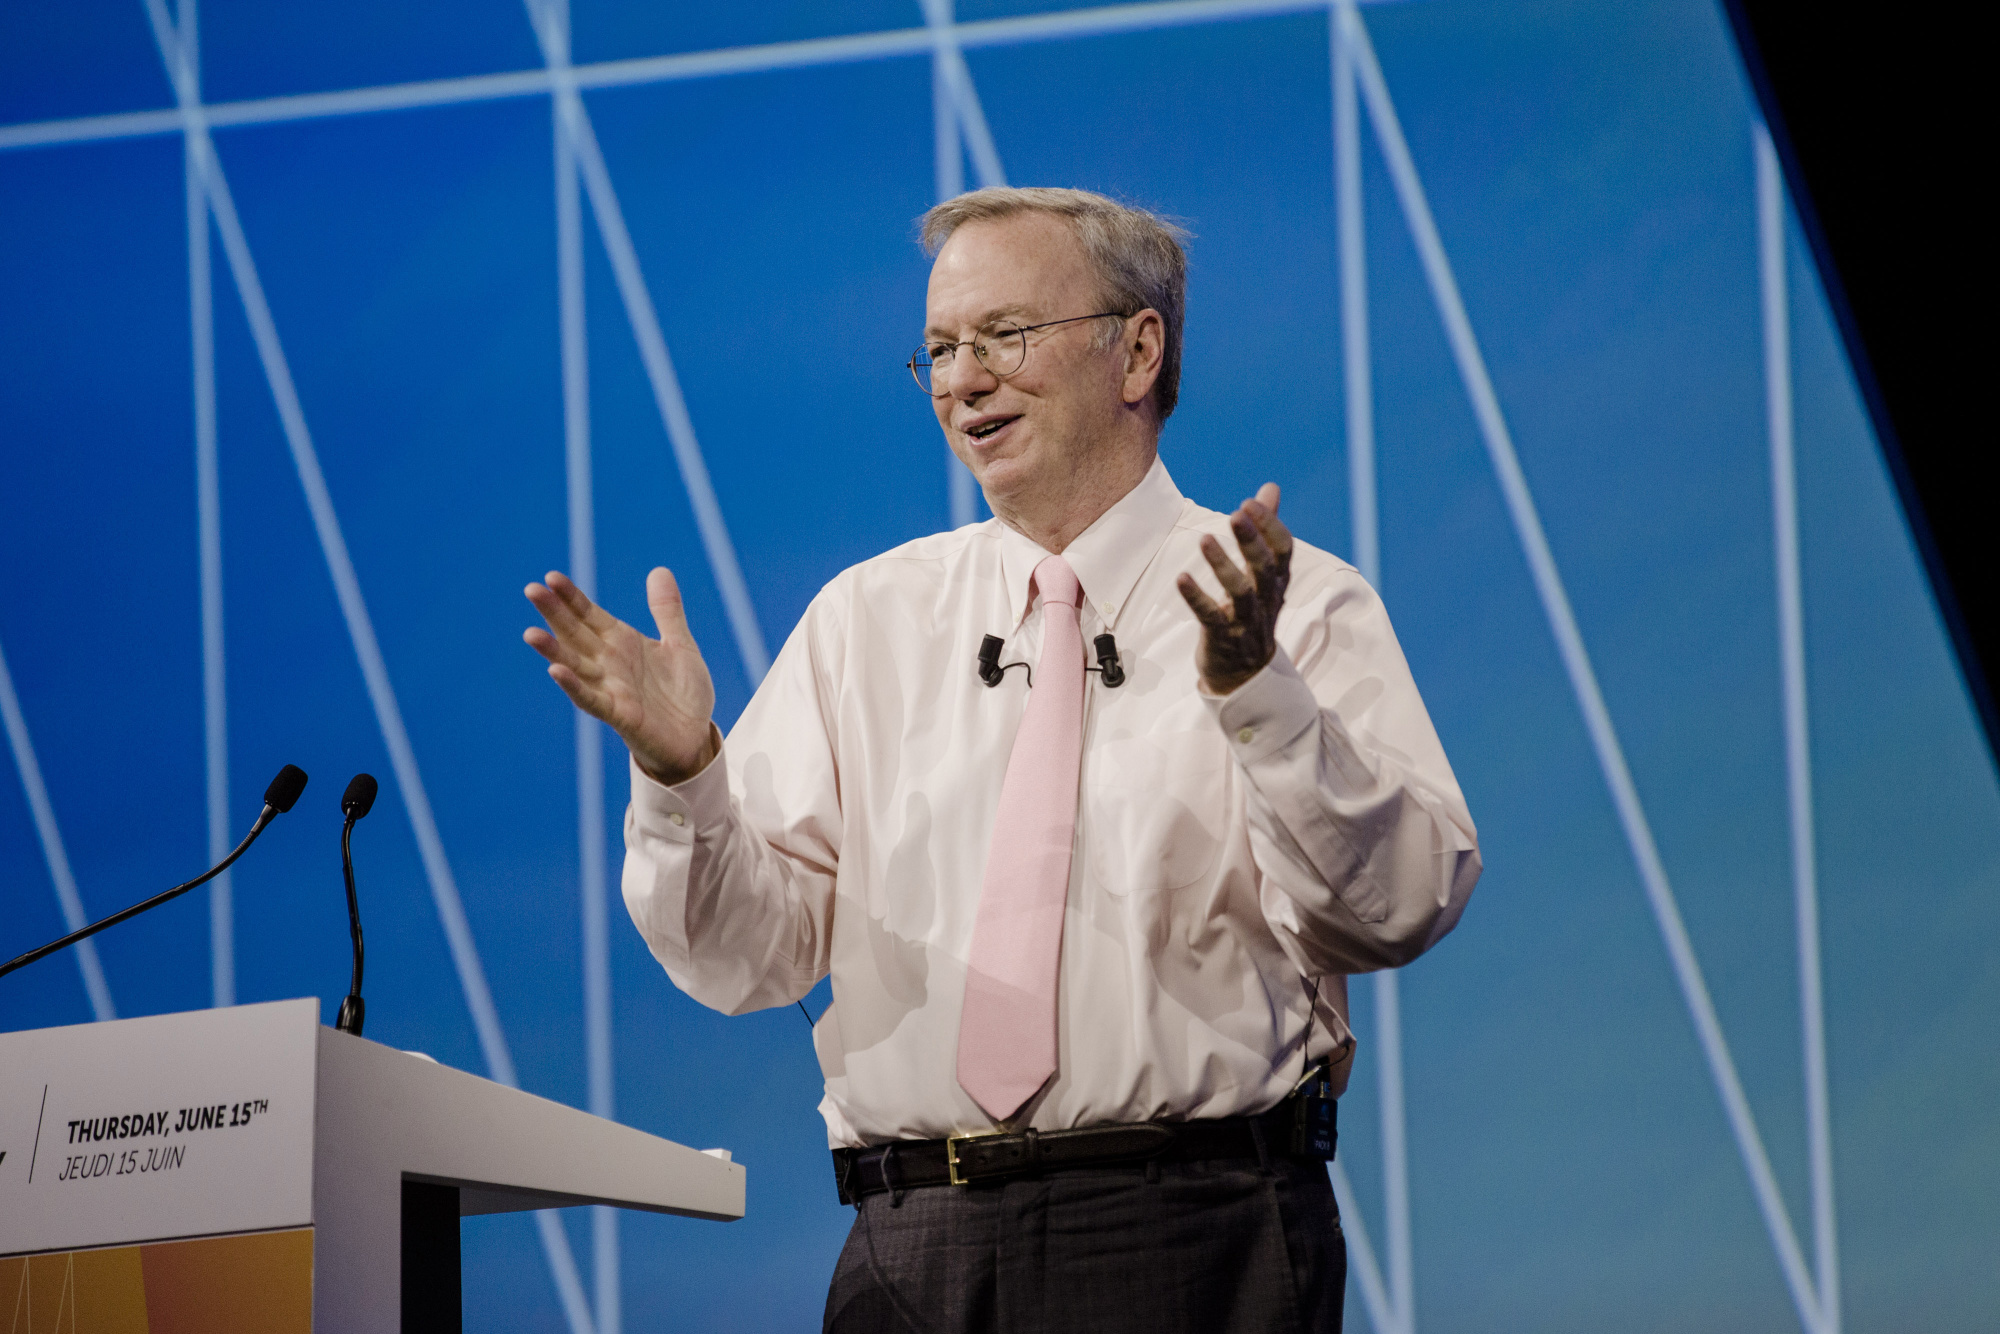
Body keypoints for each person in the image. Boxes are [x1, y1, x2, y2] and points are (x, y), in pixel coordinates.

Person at [523, 186, 1479, 1332]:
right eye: (937, 349)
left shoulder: (1292, 605)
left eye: (1004, 335)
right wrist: (685, 774)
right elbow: (743, 957)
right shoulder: (865, 619)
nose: (962, 379)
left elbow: (1395, 907)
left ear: (1137, 352)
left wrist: (1257, 696)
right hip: (910, 1247)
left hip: (1194, 1232)